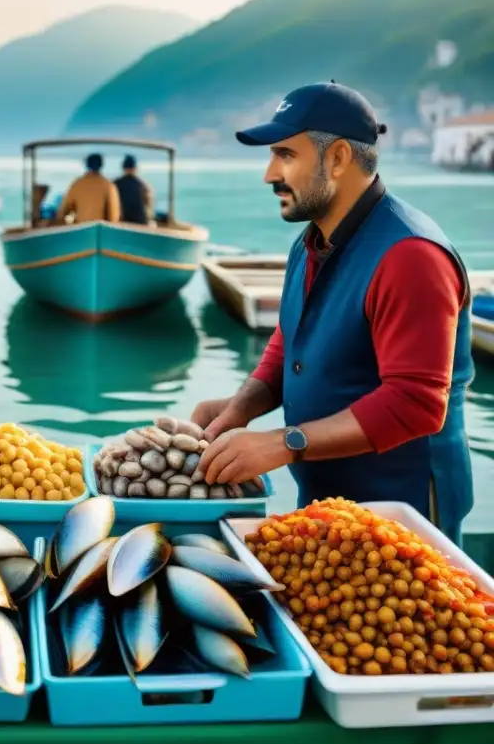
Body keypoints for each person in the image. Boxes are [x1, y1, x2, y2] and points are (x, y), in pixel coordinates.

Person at [190, 81, 473, 545]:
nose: (269, 174)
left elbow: (416, 404)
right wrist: (240, 408)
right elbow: (291, 339)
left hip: (405, 512)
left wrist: (282, 443)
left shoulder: (410, 255)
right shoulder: (311, 243)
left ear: (337, 159)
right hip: (329, 503)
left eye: (285, 155)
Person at [56, 153, 121, 224]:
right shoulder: (109, 186)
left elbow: (63, 210)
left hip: (81, 229)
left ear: (87, 165)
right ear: (101, 165)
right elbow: (114, 216)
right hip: (100, 231)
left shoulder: (77, 184)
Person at [114, 154, 153, 225]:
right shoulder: (143, 185)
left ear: (123, 167)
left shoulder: (115, 184)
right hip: (141, 224)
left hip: (122, 224)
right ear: (135, 168)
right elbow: (149, 207)